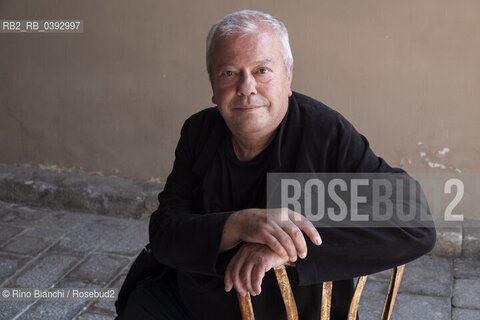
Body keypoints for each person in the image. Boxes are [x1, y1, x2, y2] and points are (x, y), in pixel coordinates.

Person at [115, 10, 436, 320]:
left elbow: (413, 220)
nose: (246, 87)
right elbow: (164, 232)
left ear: (288, 75)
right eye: (229, 73)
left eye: (261, 71)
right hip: (191, 303)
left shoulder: (324, 133)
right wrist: (241, 224)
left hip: (288, 310)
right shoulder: (199, 132)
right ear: (213, 84)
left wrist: (285, 245)